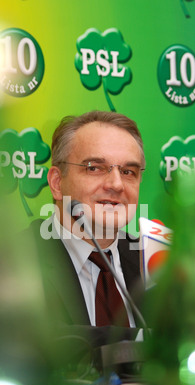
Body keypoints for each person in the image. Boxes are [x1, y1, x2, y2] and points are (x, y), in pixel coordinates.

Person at [29, 110, 146, 357]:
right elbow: (41, 345)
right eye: (95, 168)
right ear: (57, 183)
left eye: (128, 172)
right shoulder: (16, 259)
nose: (116, 184)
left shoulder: (153, 259)